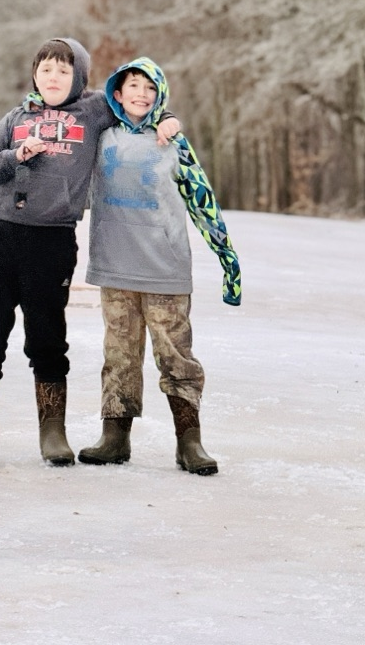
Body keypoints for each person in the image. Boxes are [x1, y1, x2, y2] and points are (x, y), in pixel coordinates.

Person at [0, 38, 179, 469]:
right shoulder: (16, 118)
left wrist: (166, 117)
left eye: (63, 70)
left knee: (47, 339)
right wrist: (13, 155)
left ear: (78, 76)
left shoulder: (93, 110)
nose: (53, 78)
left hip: (52, 242)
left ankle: (52, 431)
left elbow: (135, 102)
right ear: (34, 76)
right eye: (45, 70)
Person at [78, 57, 241, 475]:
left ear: (160, 96)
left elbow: (202, 201)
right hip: (114, 266)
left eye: (150, 89)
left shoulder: (174, 143)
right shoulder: (100, 138)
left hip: (164, 269)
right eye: (133, 86)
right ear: (117, 93)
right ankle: (115, 437)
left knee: (176, 356)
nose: (141, 94)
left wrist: (227, 258)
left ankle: (190, 442)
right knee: (119, 355)